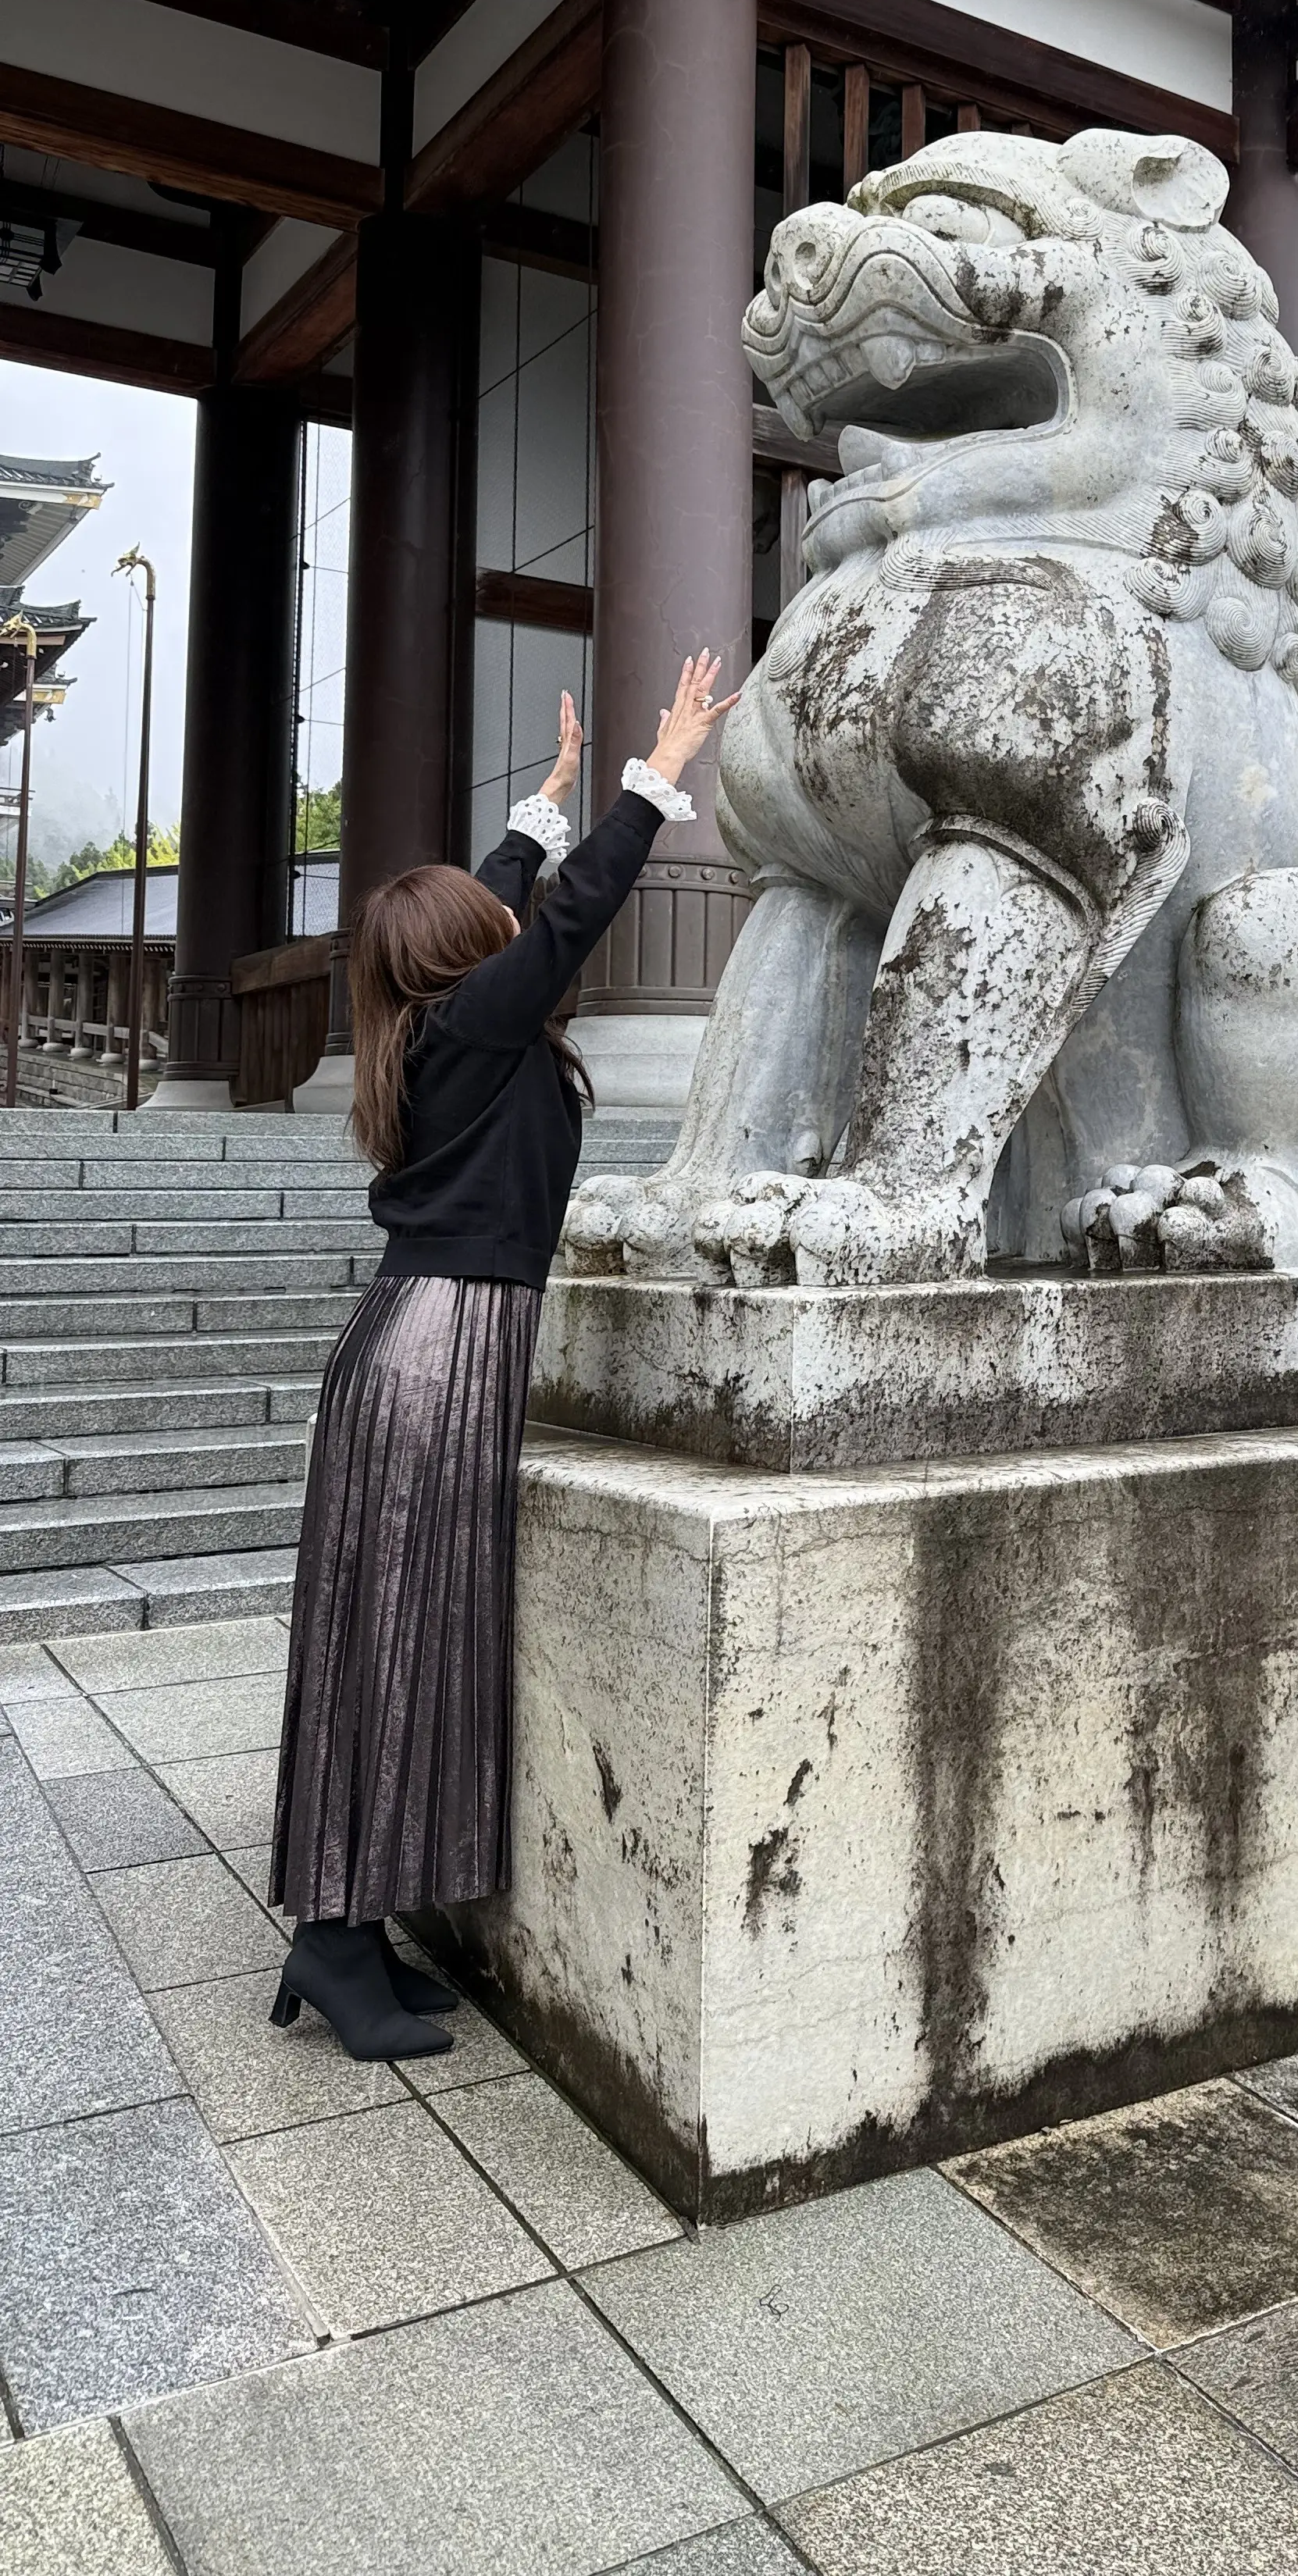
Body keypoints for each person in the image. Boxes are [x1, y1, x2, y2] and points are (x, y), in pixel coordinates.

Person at [266, 653, 736, 2060]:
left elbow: (496, 906)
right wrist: (659, 773)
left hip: (419, 1355)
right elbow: (565, 917)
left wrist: (538, 802)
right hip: (435, 1363)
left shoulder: (422, 1030)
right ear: (463, 960)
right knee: (391, 1644)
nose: (508, 925)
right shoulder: (475, 1022)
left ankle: (345, 1926)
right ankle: (337, 1938)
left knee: (392, 1641)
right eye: (489, 923)